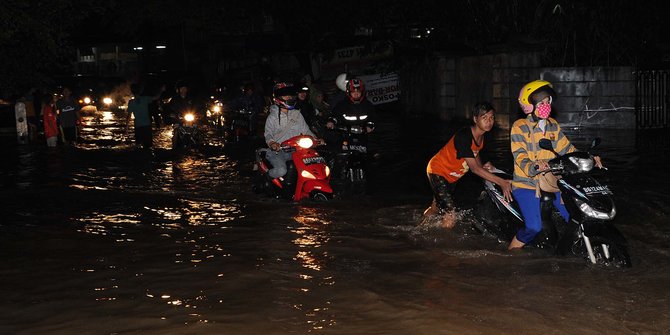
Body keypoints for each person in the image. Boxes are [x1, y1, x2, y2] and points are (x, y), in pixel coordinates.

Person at [508, 80, 603, 250]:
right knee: (533, 227)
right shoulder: (519, 127)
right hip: (527, 184)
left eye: (547, 101)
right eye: (541, 102)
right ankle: (511, 253)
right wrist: (534, 166)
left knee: (577, 216)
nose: (546, 105)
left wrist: (588, 157)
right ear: (529, 105)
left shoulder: (552, 125)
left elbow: (566, 148)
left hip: (553, 181)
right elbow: (519, 155)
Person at [423, 102, 513, 229]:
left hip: (452, 177)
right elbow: (475, 169)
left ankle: (421, 228)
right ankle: (444, 244)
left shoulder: (480, 138)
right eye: (484, 118)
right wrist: (501, 182)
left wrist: (486, 168)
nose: (489, 121)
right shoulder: (464, 136)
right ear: (475, 119)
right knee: (451, 213)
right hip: (438, 171)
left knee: (436, 207)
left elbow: (476, 159)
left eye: (491, 118)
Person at [263, 82, 318, 179]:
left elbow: (306, 131)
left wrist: (316, 139)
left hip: (297, 150)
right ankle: (266, 177)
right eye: (285, 95)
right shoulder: (272, 117)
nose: (289, 98)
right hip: (279, 151)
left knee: (315, 164)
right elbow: (268, 134)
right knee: (281, 170)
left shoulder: (297, 114)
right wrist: (272, 144)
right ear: (277, 98)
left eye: (290, 95)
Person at [125, 83, 164, 148]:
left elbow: (129, 116)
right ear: (141, 91)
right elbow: (156, 97)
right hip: (147, 125)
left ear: (132, 92)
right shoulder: (145, 99)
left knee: (138, 144)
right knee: (148, 145)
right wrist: (161, 91)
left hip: (138, 126)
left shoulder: (131, 102)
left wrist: (126, 127)